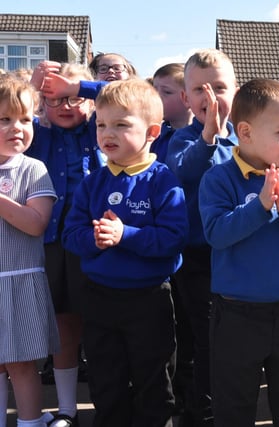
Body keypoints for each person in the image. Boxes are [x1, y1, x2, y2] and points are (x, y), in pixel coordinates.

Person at [198, 78, 279, 427]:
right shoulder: (219, 178)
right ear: (246, 132)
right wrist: (260, 207)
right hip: (237, 315)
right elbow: (217, 234)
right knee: (234, 402)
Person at [61, 79, 188, 427]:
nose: (107, 133)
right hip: (99, 299)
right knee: (106, 381)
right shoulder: (92, 183)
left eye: (120, 124)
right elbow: (71, 235)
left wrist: (125, 235)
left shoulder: (163, 181)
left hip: (149, 299)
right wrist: (94, 240)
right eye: (101, 124)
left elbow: (173, 239)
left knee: (154, 380)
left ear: (151, 132)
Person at [28, 61, 103, 427]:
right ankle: (67, 410)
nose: (64, 105)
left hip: (95, 244)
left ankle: (110, 402)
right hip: (50, 245)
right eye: (53, 98)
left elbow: (128, 98)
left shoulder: (99, 131)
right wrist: (33, 88)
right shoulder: (38, 136)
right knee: (64, 329)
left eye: (71, 97)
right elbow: (11, 110)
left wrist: (78, 87)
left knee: (102, 327)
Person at [165, 48, 238, 425]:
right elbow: (183, 171)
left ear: (236, 92)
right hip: (194, 257)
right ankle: (198, 412)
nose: (210, 98)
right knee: (199, 338)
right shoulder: (182, 138)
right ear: (185, 98)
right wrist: (209, 134)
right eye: (200, 90)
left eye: (220, 88)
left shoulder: (245, 139)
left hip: (236, 255)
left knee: (225, 339)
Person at [0, 75, 59, 427]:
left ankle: (31, 422)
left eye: (25, 119)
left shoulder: (34, 169)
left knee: (21, 365)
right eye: (4, 119)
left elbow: (36, 223)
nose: (16, 128)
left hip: (19, 282)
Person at [151, 63, 193, 164]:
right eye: (154, 90)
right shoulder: (155, 136)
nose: (157, 97)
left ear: (187, 98)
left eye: (167, 92)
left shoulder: (201, 137)